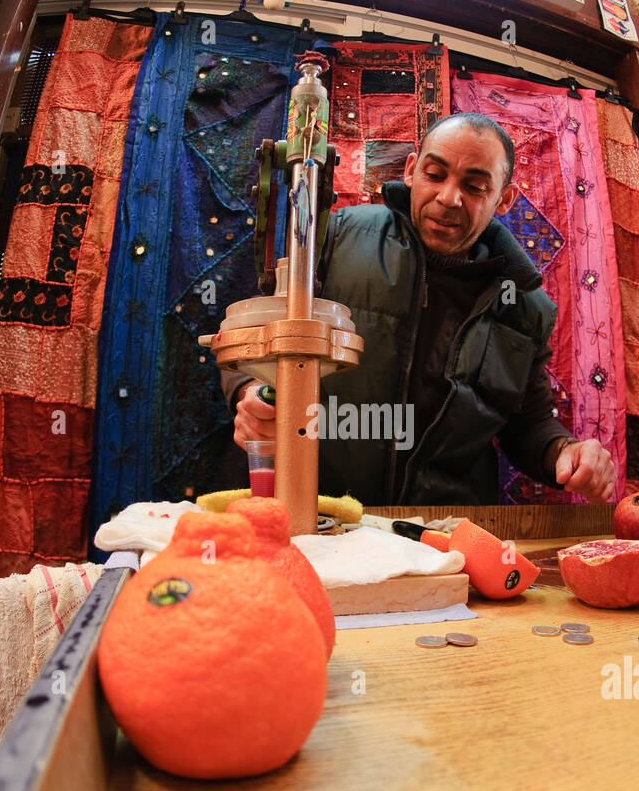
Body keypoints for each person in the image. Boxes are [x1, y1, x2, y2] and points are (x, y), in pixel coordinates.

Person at [225, 111, 616, 506]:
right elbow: (250, 339)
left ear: (504, 199)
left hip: (440, 534)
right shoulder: (336, 236)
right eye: (435, 174)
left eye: (476, 186)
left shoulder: (525, 307)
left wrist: (566, 453)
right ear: (411, 170)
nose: (449, 198)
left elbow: (529, 426)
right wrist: (252, 394)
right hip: (319, 513)